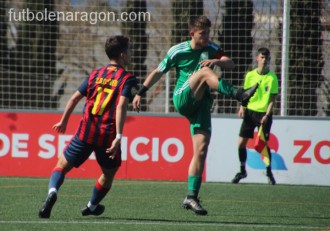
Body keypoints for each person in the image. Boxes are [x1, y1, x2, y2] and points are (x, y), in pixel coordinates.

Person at [132, 16, 258, 215]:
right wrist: (140, 92)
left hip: (201, 106)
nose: (207, 37)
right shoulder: (178, 50)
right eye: (203, 34)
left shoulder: (212, 48)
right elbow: (158, 71)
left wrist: (217, 60)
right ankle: (239, 94)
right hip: (183, 97)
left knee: (201, 150)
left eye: (208, 33)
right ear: (192, 34)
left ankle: (191, 196)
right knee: (205, 72)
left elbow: (230, 64)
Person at [38, 35, 138, 218]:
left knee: (60, 166)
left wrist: (63, 120)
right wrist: (118, 136)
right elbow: (122, 105)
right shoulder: (127, 78)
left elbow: (74, 98)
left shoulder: (95, 74)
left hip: (86, 132)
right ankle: (92, 205)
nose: (131, 54)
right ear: (123, 54)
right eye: (129, 51)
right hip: (107, 136)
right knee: (108, 174)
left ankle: (52, 192)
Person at [232, 47, 278, 185]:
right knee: (241, 143)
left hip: (264, 114)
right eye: (262, 57)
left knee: (261, 144)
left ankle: (269, 171)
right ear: (257, 58)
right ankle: (242, 171)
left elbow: (272, 99)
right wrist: (242, 107)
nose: (264, 60)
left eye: (267, 58)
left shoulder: (272, 78)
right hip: (250, 112)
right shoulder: (250, 75)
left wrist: (267, 115)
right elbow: (245, 94)